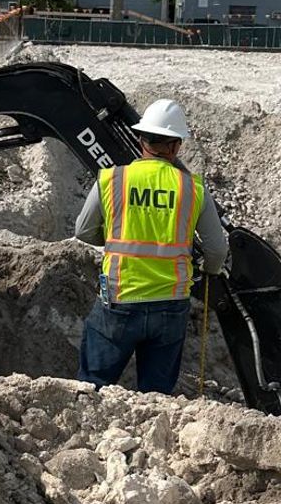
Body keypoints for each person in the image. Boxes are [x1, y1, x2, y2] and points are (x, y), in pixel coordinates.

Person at [73, 98, 229, 395]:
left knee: (91, 390)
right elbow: (216, 250)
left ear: (140, 139)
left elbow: (83, 230)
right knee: (157, 399)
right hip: (170, 305)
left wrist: (114, 240)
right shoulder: (192, 188)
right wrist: (210, 270)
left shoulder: (112, 179)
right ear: (176, 146)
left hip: (120, 299)